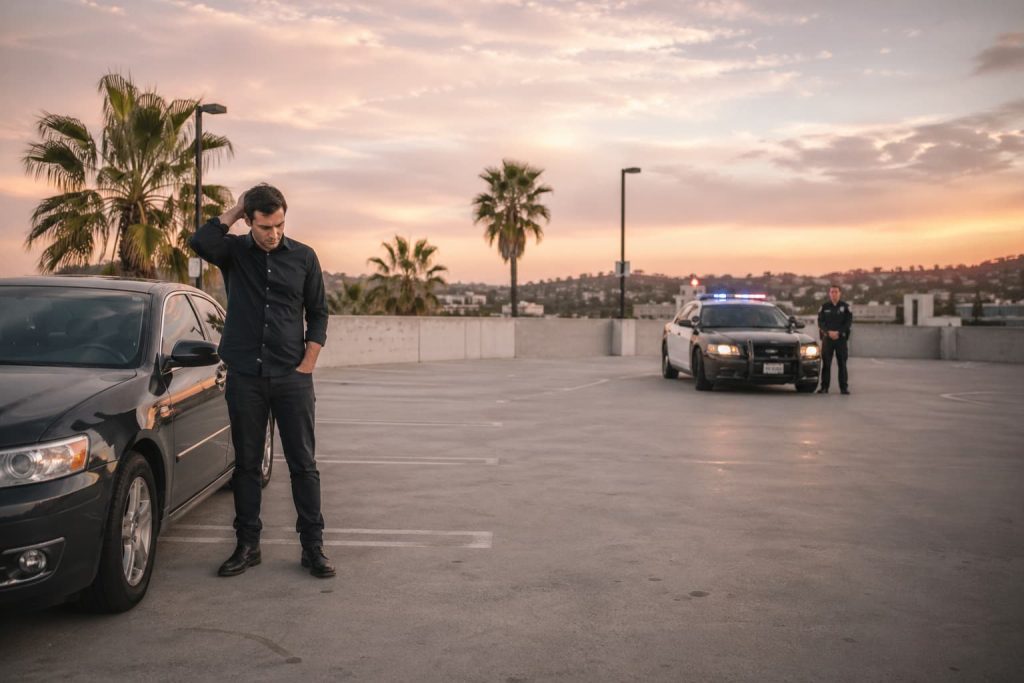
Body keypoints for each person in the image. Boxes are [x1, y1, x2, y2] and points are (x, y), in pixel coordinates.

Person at [190, 183, 334, 578]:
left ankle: (313, 548)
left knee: (304, 465)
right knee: (247, 465)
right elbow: (200, 241)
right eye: (265, 226)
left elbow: (319, 312)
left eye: (280, 225)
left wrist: (308, 361)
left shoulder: (304, 257)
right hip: (246, 377)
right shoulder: (234, 252)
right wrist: (235, 209)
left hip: (292, 376)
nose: (273, 234)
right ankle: (248, 546)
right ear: (250, 222)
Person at [817, 284, 853, 395]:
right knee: (826, 364)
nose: (834, 294)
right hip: (827, 339)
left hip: (840, 339)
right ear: (829, 293)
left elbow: (848, 323)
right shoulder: (824, 307)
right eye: (832, 292)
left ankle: (844, 388)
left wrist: (839, 332)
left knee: (842, 364)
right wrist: (828, 332)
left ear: (840, 293)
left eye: (836, 292)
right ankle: (824, 388)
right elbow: (820, 322)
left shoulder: (845, 307)